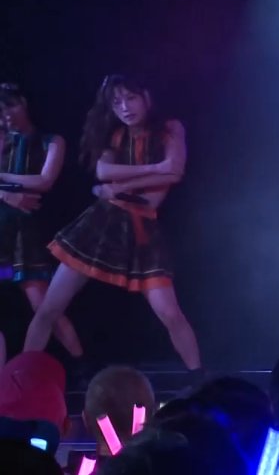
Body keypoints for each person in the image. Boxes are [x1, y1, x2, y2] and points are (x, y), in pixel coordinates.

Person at [22, 75, 202, 374]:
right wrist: (156, 169)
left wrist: (120, 186)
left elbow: (171, 177)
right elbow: (104, 172)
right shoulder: (117, 135)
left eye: (130, 98)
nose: (124, 108)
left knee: (170, 313)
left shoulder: (170, 128)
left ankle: (199, 377)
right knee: (49, 308)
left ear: (146, 97)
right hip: (101, 224)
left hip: (142, 230)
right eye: (117, 102)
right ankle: (21, 375)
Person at [0, 84, 85, 366]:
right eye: (0, 110)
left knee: (44, 305)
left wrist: (3, 178)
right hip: (2, 230)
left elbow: (45, 181)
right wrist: (6, 194)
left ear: (24, 103)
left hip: (27, 235)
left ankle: (80, 365)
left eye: (11, 106)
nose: (6, 114)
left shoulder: (51, 141)